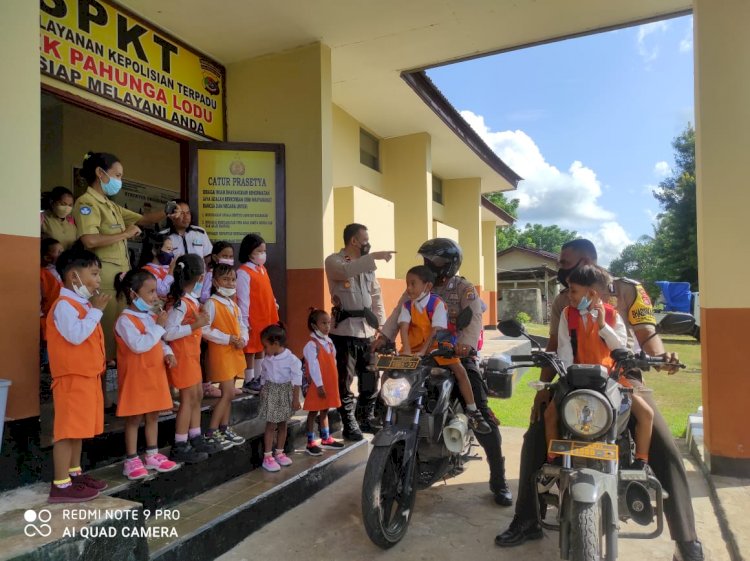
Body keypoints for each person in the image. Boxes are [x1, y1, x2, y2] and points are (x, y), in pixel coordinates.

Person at [495, 239, 704, 561]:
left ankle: (687, 540)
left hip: (622, 374)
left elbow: (647, 333)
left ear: (587, 260)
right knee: (535, 433)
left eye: (566, 262)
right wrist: (544, 387)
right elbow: (556, 345)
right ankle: (527, 519)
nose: (560, 268)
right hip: (573, 374)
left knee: (662, 440)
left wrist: (662, 358)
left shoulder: (628, 289)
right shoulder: (564, 299)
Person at [375, 238, 513, 506]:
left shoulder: (464, 288)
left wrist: (466, 345)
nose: (429, 265)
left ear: (450, 264)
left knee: (482, 413)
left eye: (435, 261)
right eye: (427, 260)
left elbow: (473, 318)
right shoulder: (417, 286)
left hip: (453, 352)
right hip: (418, 356)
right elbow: (396, 315)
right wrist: (383, 337)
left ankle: (499, 479)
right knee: (390, 395)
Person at [544, 265, 654, 470]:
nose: (569, 296)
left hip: (611, 379)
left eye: (573, 291)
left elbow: (621, 349)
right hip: (576, 378)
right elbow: (565, 349)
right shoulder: (568, 314)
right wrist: (568, 377)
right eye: (569, 290)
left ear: (592, 293)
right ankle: (554, 460)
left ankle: (641, 461)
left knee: (646, 414)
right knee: (550, 415)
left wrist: (603, 326)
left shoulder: (613, 316)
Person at [74, 151, 179, 364]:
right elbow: (89, 240)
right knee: (104, 346)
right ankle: (101, 396)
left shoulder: (111, 205)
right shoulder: (87, 203)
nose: (120, 181)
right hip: (103, 282)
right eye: (118, 175)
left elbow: (143, 219)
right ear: (100, 173)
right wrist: (124, 234)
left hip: (120, 282)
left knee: (120, 339)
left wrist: (167, 211)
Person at [46, 249, 111, 503]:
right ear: (75, 276)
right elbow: (75, 336)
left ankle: (74, 474)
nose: (98, 280)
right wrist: (95, 312)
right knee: (67, 431)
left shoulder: (82, 303)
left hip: (86, 376)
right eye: (94, 274)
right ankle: (60, 485)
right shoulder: (63, 305)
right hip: (71, 377)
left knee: (79, 430)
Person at [397, 265, 491, 434]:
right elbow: (403, 327)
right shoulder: (406, 306)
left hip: (437, 347)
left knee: (460, 371)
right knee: (392, 372)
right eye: (407, 284)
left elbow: (435, 331)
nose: (409, 288)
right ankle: (383, 407)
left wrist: (423, 352)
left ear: (427, 286)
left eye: (413, 284)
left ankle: (473, 411)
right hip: (414, 349)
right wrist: (407, 351)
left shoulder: (437, 304)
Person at [324, 223, 394, 439]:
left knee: (370, 379)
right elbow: (346, 271)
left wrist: (380, 326)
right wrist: (372, 257)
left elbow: (376, 295)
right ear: (353, 241)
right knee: (344, 383)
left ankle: (366, 418)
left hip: (367, 332)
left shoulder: (367, 266)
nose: (367, 243)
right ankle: (349, 423)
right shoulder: (334, 261)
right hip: (344, 332)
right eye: (364, 239)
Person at [114, 270, 179, 480]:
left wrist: (168, 353)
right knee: (134, 418)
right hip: (135, 376)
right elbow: (139, 345)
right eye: (150, 292)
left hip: (154, 374)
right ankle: (131, 459)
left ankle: (152, 453)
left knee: (153, 414)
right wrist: (159, 327)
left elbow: (159, 343)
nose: (155, 297)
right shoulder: (124, 320)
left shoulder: (151, 317)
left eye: (155, 292)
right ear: (133, 294)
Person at [164, 254, 224, 464]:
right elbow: (169, 332)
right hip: (182, 357)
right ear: (200, 278)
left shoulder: (190, 301)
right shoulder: (181, 304)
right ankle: (180, 443)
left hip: (191, 356)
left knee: (197, 395)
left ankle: (195, 435)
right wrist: (194, 326)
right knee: (188, 400)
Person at [202, 263, 248, 449]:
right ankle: (212, 431)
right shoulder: (211, 303)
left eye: (232, 280)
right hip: (220, 353)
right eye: (225, 279)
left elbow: (242, 325)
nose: (230, 283)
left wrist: (243, 339)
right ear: (215, 282)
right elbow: (205, 329)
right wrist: (227, 338)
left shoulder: (233, 304)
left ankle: (224, 427)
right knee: (227, 393)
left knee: (228, 395)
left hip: (234, 353)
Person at [257, 323, 303, 472]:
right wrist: (263, 387)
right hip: (271, 391)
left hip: (285, 391)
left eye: (266, 346)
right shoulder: (268, 358)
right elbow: (264, 372)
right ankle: (267, 456)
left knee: (283, 423)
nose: (265, 350)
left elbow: (297, 381)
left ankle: (279, 452)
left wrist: (296, 400)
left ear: (276, 344)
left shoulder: (291, 359)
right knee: (271, 424)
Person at [237, 234, 279, 393]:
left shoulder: (262, 269)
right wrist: (245, 321)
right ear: (249, 252)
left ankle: (259, 377)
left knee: (262, 346)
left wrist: (273, 302)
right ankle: (248, 380)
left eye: (264, 251)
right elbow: (243, 298)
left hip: (265, 315)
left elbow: (268, 289)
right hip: (253, 316)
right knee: (250, 349)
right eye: (259, 251)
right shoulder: (243, 272)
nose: (263, 254)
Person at [302, 309, 344, 456]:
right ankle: (310, 442)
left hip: (329, 382)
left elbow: (333, 360)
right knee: (313, 411)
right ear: (314, 326)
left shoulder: (329, 342)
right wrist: (319, 385)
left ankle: (326, 438)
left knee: (325, 409)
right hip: (317, 384)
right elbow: (313, 366)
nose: (327, 326)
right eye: (324, 323)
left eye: (329, 323)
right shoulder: (311, 345)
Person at [139, 232, 177, 301]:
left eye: (172, 250)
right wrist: (171, 271)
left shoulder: (167, 268)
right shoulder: (147, 271)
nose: (171, 254)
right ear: (154, 251)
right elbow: (162, 291)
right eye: (168, 249)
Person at [40, 238, 64, 346]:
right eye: (59, 252)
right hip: (48, 318)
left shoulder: (64, 272)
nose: (63, 254)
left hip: (61, 317)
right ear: (47, 257)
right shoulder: (42, 275)